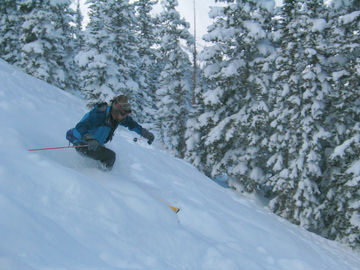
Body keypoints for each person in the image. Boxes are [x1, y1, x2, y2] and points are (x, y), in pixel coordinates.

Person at [66, 95, 154, 170]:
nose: (124, 117)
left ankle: (95, 172)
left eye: (126, 114)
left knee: (103, 156)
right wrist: (89, 139)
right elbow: (80, 126)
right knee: (110, 156)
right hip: (82, 142)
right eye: (123, 114)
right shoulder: (99, 116)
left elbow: (132, 124)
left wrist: (145, 133)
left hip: (94, 143)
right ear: (115, 110)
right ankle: (103, 180)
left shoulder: (117, 117)